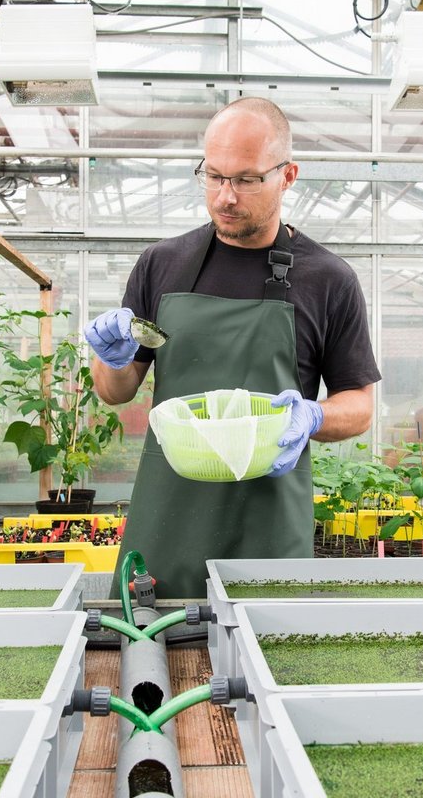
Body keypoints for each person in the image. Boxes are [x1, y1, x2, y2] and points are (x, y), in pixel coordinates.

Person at [84, 97, 381, 598]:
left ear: (287, 176)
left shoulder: (329, 280)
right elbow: (117, 390)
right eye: (214, 176)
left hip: (268, 522)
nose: (225, 197)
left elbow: (360, 406)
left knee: (265, 659)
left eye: (245, 180)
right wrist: (109, 361)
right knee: (148, 661)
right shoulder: (161, 265)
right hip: (169, 518)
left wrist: (311, 416)